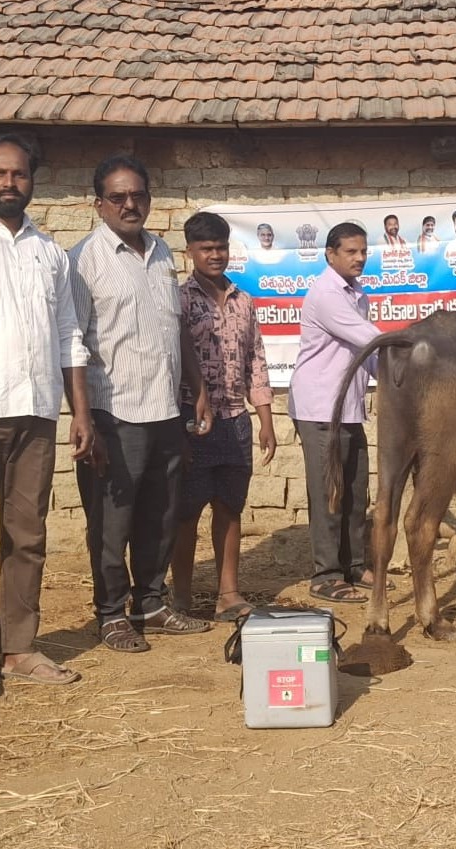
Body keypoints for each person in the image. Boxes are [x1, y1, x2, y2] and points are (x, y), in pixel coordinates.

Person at [0, 134, 92, 695]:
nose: (10, 183)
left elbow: (69, 334)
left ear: (33, 181)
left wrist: (79, 412)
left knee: (27, 536)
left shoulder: (49, 253)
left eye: (20, 174)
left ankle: (18, 649)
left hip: (36, 412)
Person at [70, 154, 214, 653]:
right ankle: (111, 613)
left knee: (161, 514)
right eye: (118, 197)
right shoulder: (83, 260)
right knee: (112, 523)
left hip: (165, 410)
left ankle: (150, 603)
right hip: (114, 413)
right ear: (98, 204)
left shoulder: (161, 252)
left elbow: (175, 327)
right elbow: (71, 342)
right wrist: (83, 416)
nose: (129, 205)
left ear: (149, 200)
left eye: (138, 196)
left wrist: (197, 388)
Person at [170, 212, 276, 622]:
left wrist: (265, 419)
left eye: (221, 248)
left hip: (235, 419)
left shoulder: (243, 301)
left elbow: (256, 361)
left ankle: (228, 594)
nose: (215, 255)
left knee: (230, 508)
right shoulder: (179, 301)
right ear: (190, 252)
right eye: (206, 249)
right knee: (187, 511)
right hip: (190, 419)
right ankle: (180, 596)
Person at [289, 222, 383, 603]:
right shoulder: (327, 293)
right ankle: (326, 576)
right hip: (320, 407)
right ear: (330, 255)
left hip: (349, 407)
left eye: (364, 251)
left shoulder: (358, 294)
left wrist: (396, 378)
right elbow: (368, 338)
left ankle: (354, 565)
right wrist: (416, 346)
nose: (360, 258)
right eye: (351, 252)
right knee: (329, 492)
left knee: (356, 492)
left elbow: (369, 354)